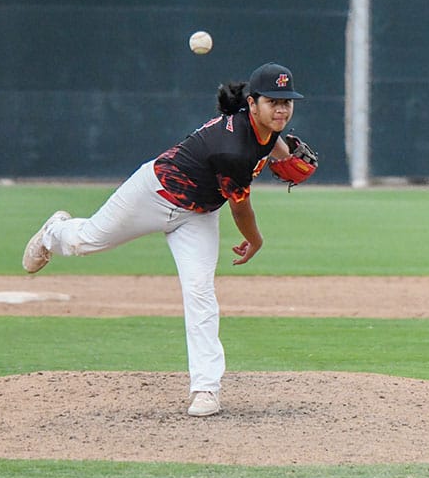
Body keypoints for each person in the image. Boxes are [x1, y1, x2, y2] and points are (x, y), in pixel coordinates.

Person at [22, 62, 313, 417]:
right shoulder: (232, 148)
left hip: (198, 215)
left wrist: (284, 153)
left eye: (287, 101)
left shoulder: (261, 130)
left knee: (200, 292)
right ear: (252, 104)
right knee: (85, 241)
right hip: (153, 193)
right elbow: (241, 210)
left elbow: (270, 145)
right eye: (273, 101)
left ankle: (206, 388)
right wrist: (256, 241)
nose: (281, 108)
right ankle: (54, 231)